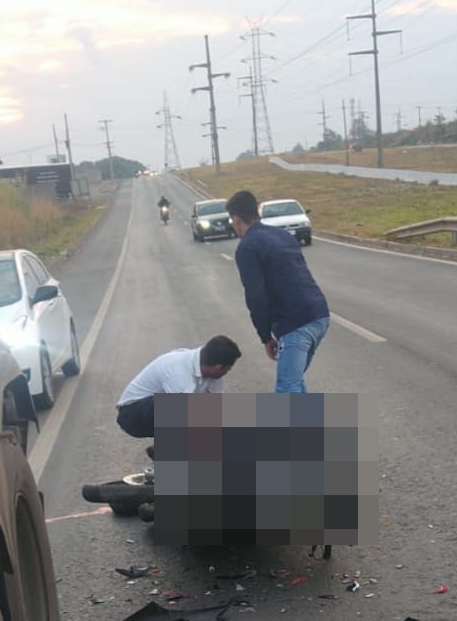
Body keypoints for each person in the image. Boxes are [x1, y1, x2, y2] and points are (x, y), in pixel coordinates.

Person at [226, 190, 331, 393]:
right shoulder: (282, 235)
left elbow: (255, 296)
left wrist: (265, 336)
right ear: (257, 211)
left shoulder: (247, 247)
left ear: (236, 219)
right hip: (320, 315)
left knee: (287, 388)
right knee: (294, 382)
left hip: (295, 323)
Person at [115, 336, 242, 466]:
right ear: (218, 367)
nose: (228, 372)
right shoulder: (179, 373)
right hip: (132, 415)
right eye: (228, 368)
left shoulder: (213, 373)